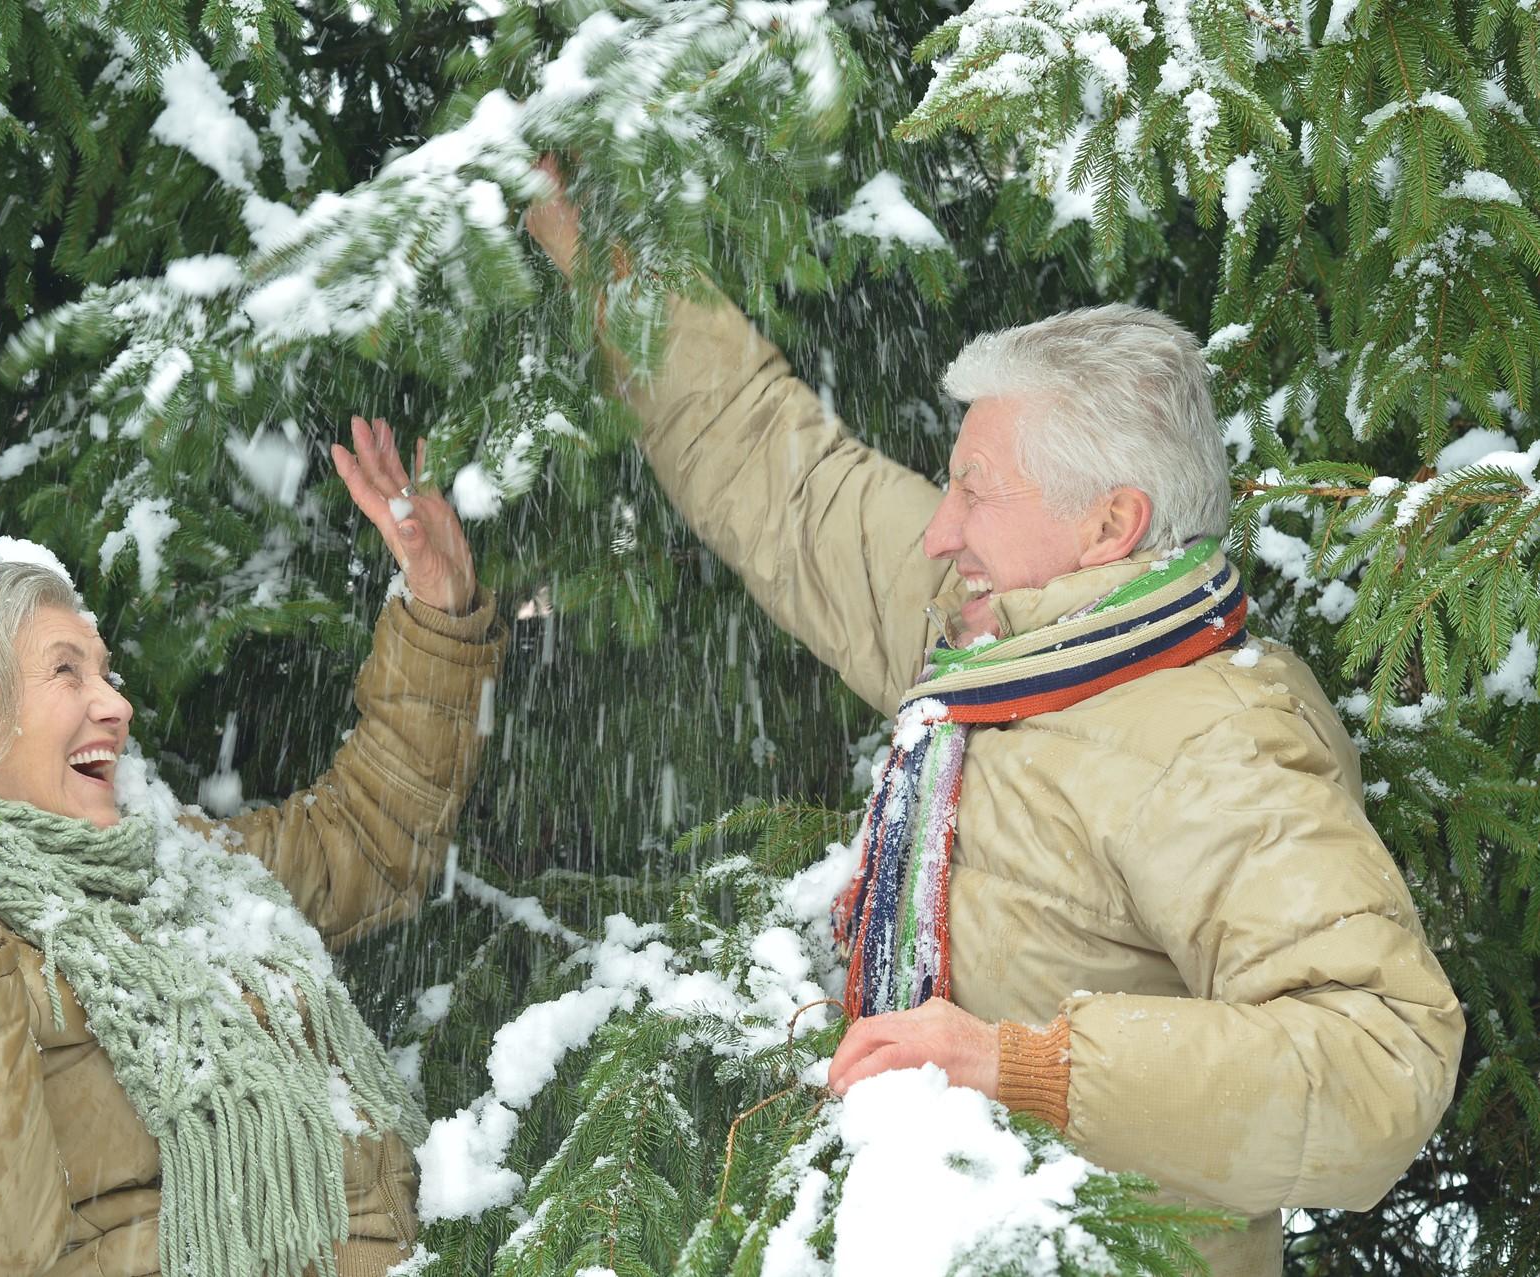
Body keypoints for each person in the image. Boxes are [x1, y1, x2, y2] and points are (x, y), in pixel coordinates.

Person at [526, 173, 1463, 1276]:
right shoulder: (986, 649)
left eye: (975, 491)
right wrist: (598, 260)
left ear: (1110, 524)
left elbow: (1377, 1061)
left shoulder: (1213, 744)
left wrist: (1025, 1065)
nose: (937, 530)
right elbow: (782, 479)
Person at [0, 416, 505, 1277]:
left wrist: (438, 613)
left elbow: (367, 841)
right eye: (66, 672)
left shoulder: (176, 862)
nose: (116, 705)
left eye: (105, 672)